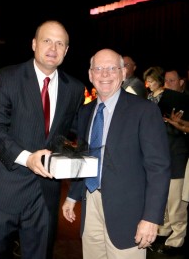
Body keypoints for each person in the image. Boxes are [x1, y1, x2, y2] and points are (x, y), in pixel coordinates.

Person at [0, 20, 85, 259]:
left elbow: (79, 133)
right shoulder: (7, 78)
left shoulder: (75, 89)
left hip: (45, 195)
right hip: (3, 190)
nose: (53, 47)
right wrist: (27, 159)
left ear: (66, 51)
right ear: (34, 44)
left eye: (60, 43)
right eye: (47, 40)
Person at [62, 48, 171, 259]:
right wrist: (72, 196)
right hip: (91, 203)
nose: (105, 74)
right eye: (99, 69)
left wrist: (150, 218)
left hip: (128, 213)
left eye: (112, 68)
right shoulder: (86, 112)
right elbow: (85, 159)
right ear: (90, 75)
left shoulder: (144, 111)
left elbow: (159, 168)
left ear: (123, 73)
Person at [143, 66, 189, 255]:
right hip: (162, 159)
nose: (167, 85)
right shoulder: (160, 101)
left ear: (181, 82)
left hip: (179, 157)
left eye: (172, 81)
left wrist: (178, 125)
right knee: (166, 200)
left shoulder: (185, 102)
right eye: (166, 81)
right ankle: (165, 232)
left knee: (176, 203)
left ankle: (177, 240)